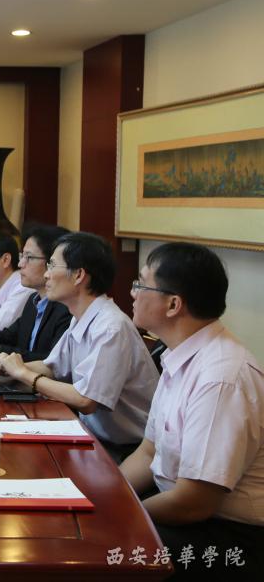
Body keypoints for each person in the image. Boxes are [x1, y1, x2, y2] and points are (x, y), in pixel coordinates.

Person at [120, 242, 263, 575]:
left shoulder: (221, 378)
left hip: (228, 538)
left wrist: (122, 514)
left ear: (173, 304)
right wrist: (106, 498)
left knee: (106, 552)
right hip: (180, 508)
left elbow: (195, 502)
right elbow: (148, 452)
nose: (132, 292)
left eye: (141, 284)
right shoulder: (178, 355)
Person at [0, 232, 159, 461]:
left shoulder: (111, 327)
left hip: (127, 451)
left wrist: (24, 373)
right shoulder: (80, 317)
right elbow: (52, 367)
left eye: (52, 265)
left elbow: (86, 400)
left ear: (79, 275)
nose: (47, 274)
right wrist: (8, 365)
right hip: (93, 436)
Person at [0, 224, 72, 361]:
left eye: (29, 257)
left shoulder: (66, 307)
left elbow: (51, 362)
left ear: (52, 263)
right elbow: (10, 336)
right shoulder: (34, 299)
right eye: (22, 256)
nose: (20, 264)